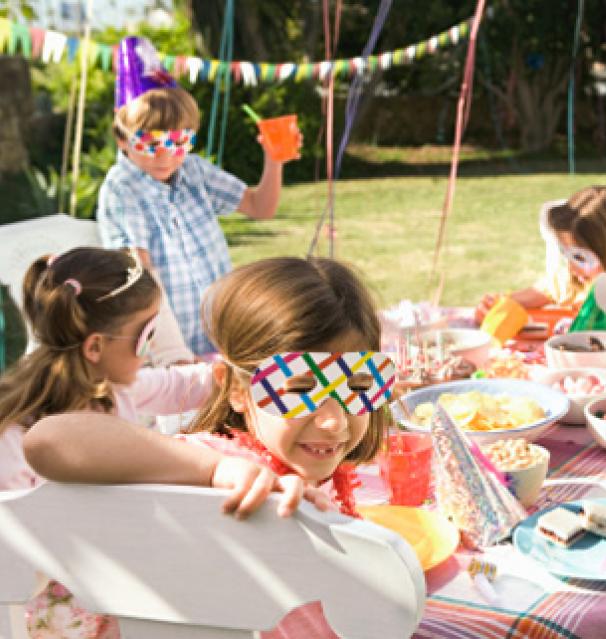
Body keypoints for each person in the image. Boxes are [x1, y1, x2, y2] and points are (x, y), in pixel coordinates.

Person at [2, 248, 325, 639]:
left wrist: (256, 373)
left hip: (122, 582)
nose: (152, 350)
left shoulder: (115, 387)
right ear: (95, 347)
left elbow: (186, 385)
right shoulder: (15, 433)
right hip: (64, 611)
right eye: (145, 337)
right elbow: (17, 541)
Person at [24, 256, 396, 519]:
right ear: (235, 388)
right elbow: (48, 440)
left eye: (359, 385)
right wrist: (215, 470)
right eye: (300, 387)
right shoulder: (220, 473)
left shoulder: (320, 461)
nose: (333, 421)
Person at [97, 36, 302, 358]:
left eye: (179, 142)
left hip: (220, 329)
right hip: (172, 344)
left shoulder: (193, 170)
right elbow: (139, 274)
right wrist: (173, 350)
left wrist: (273, 159)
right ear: (122, 139)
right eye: (150, 144)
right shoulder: (123, 190)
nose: (165, 156)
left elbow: (260, 207)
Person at [477, 186, 606, 345]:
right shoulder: (568, 283)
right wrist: (492, 307)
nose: (571, 268)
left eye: (580, 258)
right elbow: (512, 303)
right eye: (565, 254)